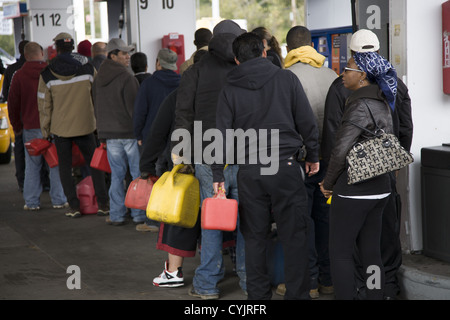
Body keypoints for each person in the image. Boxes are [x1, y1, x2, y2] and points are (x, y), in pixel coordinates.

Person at [212, 32, 319, 300]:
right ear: (263, 52)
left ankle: (258, 298)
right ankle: (297, 295)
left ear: (237, 60)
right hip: (285, 166)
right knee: (295, 236)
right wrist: (313, 155)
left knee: (255, 238)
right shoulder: (286, 78)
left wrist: (218, 173)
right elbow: (307, 121)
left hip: (250, 171)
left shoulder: (229, 89)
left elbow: (220, 134)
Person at [321, 29, 413, 300]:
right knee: (373, 248)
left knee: (340, 251)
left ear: (360, 72)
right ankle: (377, 295)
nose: (342, 73)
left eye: (347, 68)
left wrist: (328, 182)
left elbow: (338, 146)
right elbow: (404, 127)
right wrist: (396, 162)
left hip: (353, 188)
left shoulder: (354, 99)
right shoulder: (390, 88)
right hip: (383, 184)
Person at [172, 19, 247, 300]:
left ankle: (207, 284)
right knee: (248, 219)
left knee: (212, 219)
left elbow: (183, 113)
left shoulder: (196, 71)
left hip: (207, 154)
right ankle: (249, 279)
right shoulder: (246, 70)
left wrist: (181, 152)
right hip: (244, 155)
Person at [140, 50, 207, 287]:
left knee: (178, 218)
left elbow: (157, 134)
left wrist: (146, 166)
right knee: (215, 219)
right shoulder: (225, 93)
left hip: (183, 169)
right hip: (218, 165)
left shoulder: (178, 96)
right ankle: (219, 266)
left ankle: (173, 272)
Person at [283, 25, 337, 299]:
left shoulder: (286, 77)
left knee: (302, 222)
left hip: (301, 161)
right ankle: (329, 279)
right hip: (330, 160)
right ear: (311, 46)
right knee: (326, 218)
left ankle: (311, 282)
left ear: (288, 48)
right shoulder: (332, 75)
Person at [37, 32, 109, 218]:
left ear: (57, 48)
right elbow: (99, 96)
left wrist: (45, 131)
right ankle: (103, 204)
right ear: (73, 47)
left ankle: (74, 206)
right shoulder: (88, 68)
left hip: (61, 129)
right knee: (95, 165)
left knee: (64, 167)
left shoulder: (47, 72)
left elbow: (44, 105)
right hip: (86, 125)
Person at [8, 42, 67, 211]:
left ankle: (32, 202)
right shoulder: (52, 72)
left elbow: (13, 105)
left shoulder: (19, 76)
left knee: (32, 165)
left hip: (31, 128)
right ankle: (59, 200)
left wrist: (17, 126)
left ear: (25, 56)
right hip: (53, 126)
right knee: (55, 164)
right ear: (42, 53)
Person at [92, 38, 144, 226]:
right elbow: (135, 109)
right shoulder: (127, 77)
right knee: (137, 175)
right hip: (129, 134)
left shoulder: (99, 79)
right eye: (123, 53)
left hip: (110, 135)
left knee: (117, 175)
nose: (127, 57)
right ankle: (139, 215)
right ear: (112, 55)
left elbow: (95, 106)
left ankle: (116, 214)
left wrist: (102, 133)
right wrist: (140, 132)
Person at [133, 48, 180, 232]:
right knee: (173, 182)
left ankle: (153, 222)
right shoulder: (182, 81)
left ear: (158, 63)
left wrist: (138, 135)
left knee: (153, 180)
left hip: (152, 139)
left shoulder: (149, 83)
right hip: (175, 140)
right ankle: (172, 219)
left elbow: (140, 112)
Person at [2, 40, 29, 192]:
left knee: (19, 150)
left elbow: (6, 95)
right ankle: (43, 181)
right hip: (35, 118)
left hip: (19, 116)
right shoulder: (41, 68)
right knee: (40, 150)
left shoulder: (11, 69)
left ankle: (22, 181)